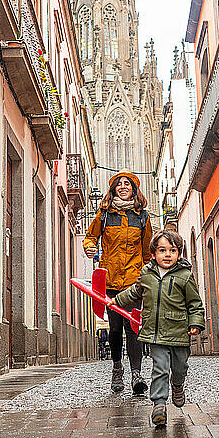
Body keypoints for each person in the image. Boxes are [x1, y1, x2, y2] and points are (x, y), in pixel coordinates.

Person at [109, 230, 205, 426]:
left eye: (173, 250)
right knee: (159, 369)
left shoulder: (185, 276)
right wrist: (116, 301)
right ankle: (159, 405)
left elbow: (195, 303)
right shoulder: (146, 274)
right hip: (155, 333)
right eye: (162, 250)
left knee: (179, 368)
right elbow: (134, 292)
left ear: (179, 254)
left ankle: (177, 386)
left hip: (179, 332)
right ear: (153, 254)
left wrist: (195, 323)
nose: (167, 254)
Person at [83, 169, 152, 394]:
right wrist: (89, 247)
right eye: (119, 184)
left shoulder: (143, 217)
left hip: (133, 281)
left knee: (133, 327)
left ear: (134, 189)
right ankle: (116, 368)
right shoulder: (105, 215)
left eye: (127, 184)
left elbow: (147, 252)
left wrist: (148, 275)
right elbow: (91, 237)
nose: (123, 187)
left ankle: (136, 374)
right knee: (114, 329)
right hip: (110, 280)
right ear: (114, 189)